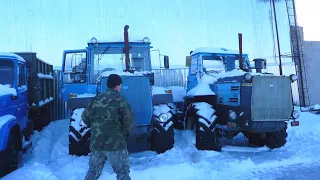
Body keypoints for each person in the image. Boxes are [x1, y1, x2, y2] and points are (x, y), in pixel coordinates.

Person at [81, 74, 136, 180]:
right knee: (123, 174)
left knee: (92, 173)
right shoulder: (121, 100)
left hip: (97, 145)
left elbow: (84, 120)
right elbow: (129, 123)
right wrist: (130, 132)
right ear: (117, 86)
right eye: (120, 85)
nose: (120, 87)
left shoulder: (96, 99)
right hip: (116, 145)